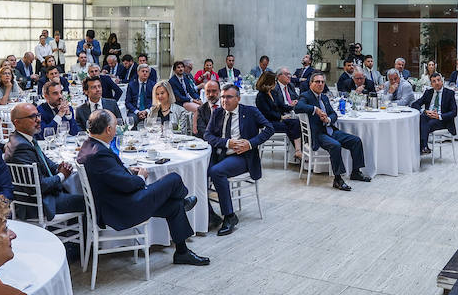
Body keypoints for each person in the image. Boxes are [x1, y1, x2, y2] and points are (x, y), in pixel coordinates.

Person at [77, 111, 208, 266]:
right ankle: (183, 200)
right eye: (115, 125)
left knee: (174, 206)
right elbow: (128, 185)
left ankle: (182, 252)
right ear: (108, 130)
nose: (117, 128)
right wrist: (141, 176)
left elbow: (110, 176)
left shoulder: (89, 145)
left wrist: (128, 171)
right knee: (173, 179)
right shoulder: (99, 154)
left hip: (115, 201)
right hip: (123, 208)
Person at [203, 85, 273, 236]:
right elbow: (207, 135)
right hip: (221, 153)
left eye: (228, 97)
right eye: (222, 97)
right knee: (199, 171)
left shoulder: (250, 112)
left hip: (242, 157)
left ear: (238, 99)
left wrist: (250, 144)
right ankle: (209, 214)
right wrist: (227, 142)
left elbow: (269, 128)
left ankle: (229, 216)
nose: (224, 100)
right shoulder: (217, 112)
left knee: (216, 172)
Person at [5, 105, 85, 221]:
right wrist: (62, 175)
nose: (38, 119)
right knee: (87, 201)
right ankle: (88, 238)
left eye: (38, 115)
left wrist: (59, 167)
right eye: (32, 117)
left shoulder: (21, 138)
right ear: (17, 123)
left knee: (72, 192)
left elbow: (46, 162)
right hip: (37, 205)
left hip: (40, 198)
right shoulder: (21, 147)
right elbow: (40, 185)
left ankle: (70, 230)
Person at [293, 74, 370, 191]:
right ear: (311, 83)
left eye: (322, 82)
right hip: (317, 134)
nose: (320, 84)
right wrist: (315, 110)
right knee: (335, 145)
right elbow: (298, 107)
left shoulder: (324, 97)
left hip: (330, 130)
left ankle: (355, 172)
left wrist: (328, 119)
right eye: (317, 82)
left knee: (356, 141)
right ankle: (338, 179)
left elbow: (333, 113)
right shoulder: (306, 96)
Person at [255, 69, 302, 160]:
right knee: (292, 127)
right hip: (268, 123)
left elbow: (281, 106)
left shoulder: (272, 92)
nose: (276, 83)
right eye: (274, 81)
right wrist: (281, 117)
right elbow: (267, 113)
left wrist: (291, 106)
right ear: (268, 82)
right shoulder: (261, 96)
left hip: (275, 120)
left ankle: (298, 151)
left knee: (296, 123)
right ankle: (298, 152)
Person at [413, 72, 458, 154]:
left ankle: (422, 147)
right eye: (434, 81)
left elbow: (454, 112)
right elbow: (415, 104)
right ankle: (424, 147)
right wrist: (425, 111)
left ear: (442, 81)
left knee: (427, 124)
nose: (437, 83)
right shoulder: (428, 93)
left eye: (438, 80)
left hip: (442, 120)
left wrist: (439, 116)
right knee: (422, 118)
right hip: (428, 116)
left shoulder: (449, 93)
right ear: (431, 84)